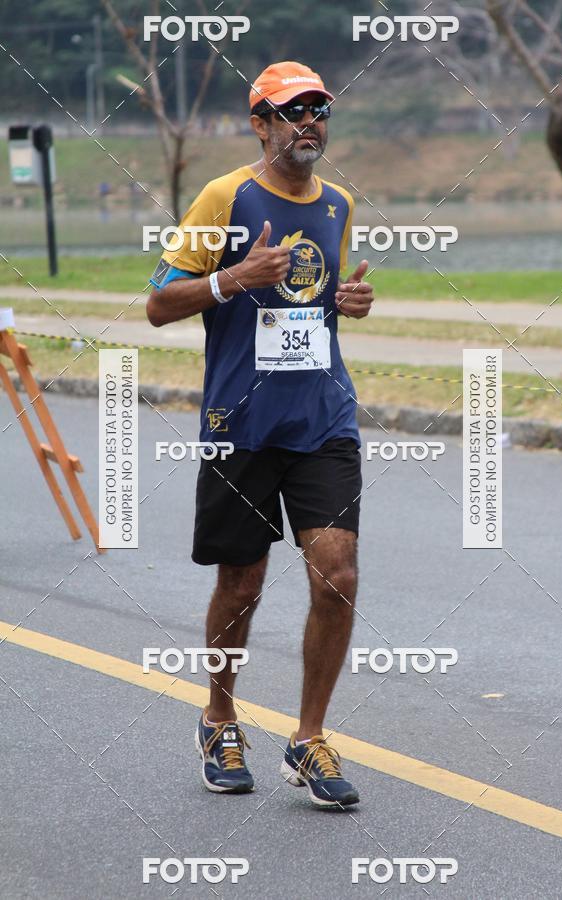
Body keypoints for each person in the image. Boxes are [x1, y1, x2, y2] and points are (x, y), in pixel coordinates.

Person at [147, 61, 374, 809]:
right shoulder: (225, 196)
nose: (310, 121)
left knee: (336, 572)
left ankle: (308, 739)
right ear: (261, 123)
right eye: (293, 110)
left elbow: (312, 301)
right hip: (240, 424)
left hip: (323, 419)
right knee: (240, 583)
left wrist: (352, 300)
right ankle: (218, 716)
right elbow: (156, 305)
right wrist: (233, 278)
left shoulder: (338, 203)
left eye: (319, 109)